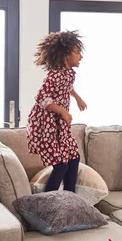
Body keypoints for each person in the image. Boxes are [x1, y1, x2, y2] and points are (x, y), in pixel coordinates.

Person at [26, 30, 88, 192]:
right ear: (65, 55)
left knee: (74, 158)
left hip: (59, 126)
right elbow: (41, 97)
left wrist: (77, 97)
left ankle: (69, 197)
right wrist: (63, 112)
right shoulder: (55, 75)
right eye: (77, 52)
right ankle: (48, 201)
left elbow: (67, 87)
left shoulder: (67, 74)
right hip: (45, 126)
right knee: (61, 166)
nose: (80, 56)